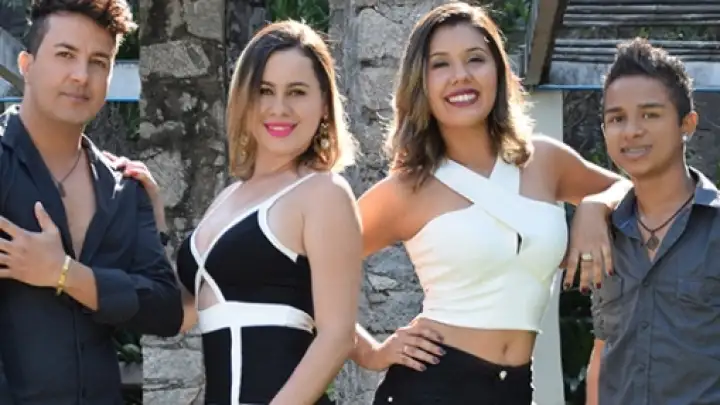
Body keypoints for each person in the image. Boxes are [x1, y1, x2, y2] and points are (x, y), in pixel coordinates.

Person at [346, 3, 632, 404]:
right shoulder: (407, 189)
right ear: (420, 82)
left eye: (475, 59)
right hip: (430, 390)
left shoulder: (545, 161)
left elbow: (632, 193)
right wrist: (370, 352)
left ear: (498, 70)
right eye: (440, 64)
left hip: (515, 390)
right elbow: (304, 271)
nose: (460, 75)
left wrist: (593, 207)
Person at [112, 20, 363, 405]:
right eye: (264, 90)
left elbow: (337, 336)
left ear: (325, 104)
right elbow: (183, 314)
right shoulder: (229, 197)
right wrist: (154, 215)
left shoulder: (323, 193)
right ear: (244, 99)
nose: (279, 108)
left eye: (297, 92)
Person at [0, 0, 183, 404]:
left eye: (98, 62)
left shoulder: (124, 188)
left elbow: (166, 311)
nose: (82, 75)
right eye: (65, 54)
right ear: (27, 65)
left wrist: (65, 274)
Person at [586, 38, 720, 405]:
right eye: (617, 118)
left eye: (650, 114)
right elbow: (603, 349)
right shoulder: (604, 234)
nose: (631, 130)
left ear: (687, 124)